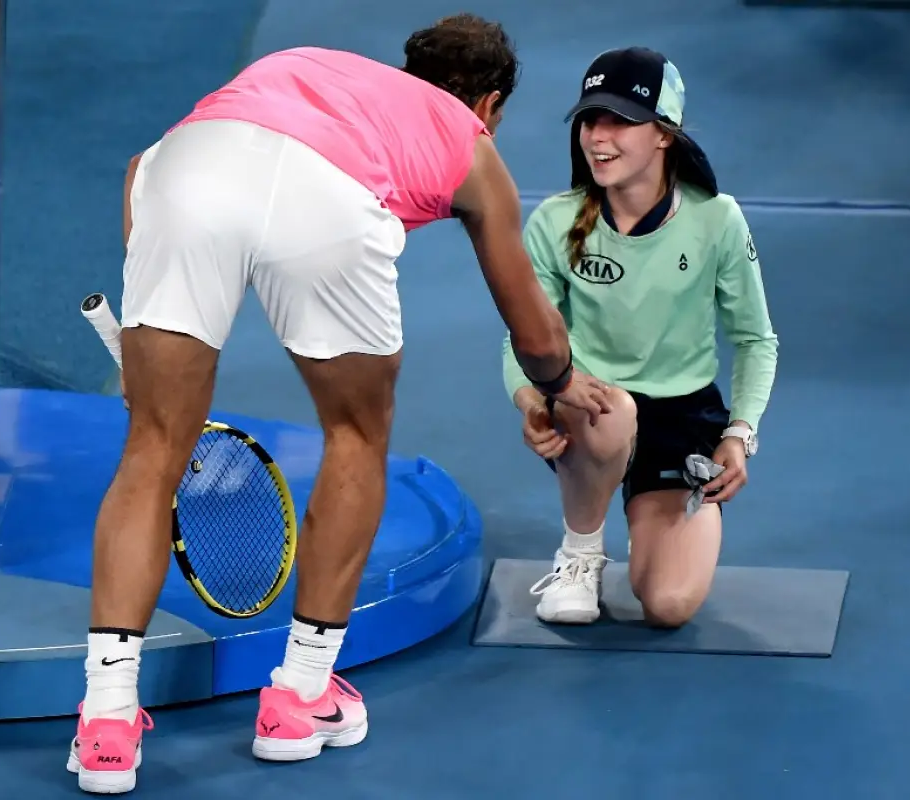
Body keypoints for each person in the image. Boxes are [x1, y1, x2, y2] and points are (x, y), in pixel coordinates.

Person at [69, 15, 613, 795]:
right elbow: (529, 319)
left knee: (153, 445)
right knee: (357, 432)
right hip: (324, 200)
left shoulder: (308, 64)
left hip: (187, 172)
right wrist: (561, 386)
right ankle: (299, 696)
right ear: (489, 103)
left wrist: (150, 342)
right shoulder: (469, 141)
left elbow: (140, 169)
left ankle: (107, 721)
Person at [501, 47, 779, 629]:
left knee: (669, 605)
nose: (597, 136)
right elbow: (523, 339)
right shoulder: (554, 222)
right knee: (612, 409)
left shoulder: (717, 220)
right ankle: (580, 554)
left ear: (664, 135)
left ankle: (647, 514)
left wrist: (739, 433)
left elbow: (755, 340)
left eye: (620, 121)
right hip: (589, 410)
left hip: (681, 419)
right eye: (590, 119)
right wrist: (531, 400)